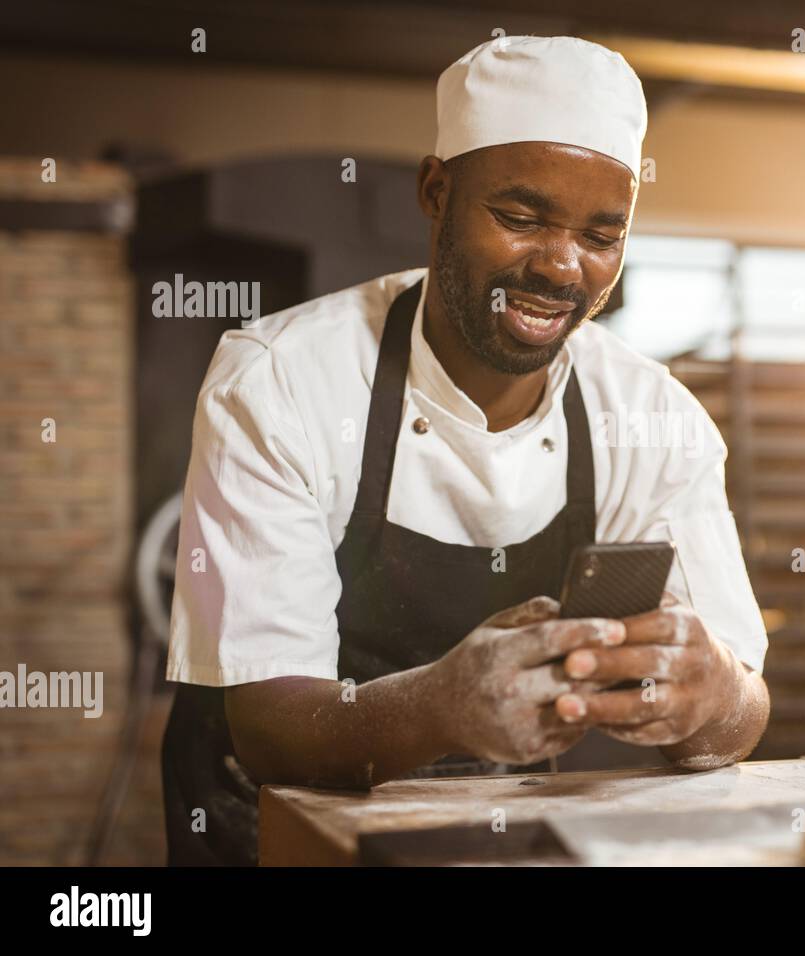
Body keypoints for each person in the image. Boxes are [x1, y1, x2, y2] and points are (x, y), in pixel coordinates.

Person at [161, 35, 770, 865]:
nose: (561, 267)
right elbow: (268, 724)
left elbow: (737, 714)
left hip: (476, 838)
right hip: (268, 835)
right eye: (520, 218)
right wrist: (444, 705)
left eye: (601, 234)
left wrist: (711, 694)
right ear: (435, 192)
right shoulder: (281, 381)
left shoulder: (651, 414)